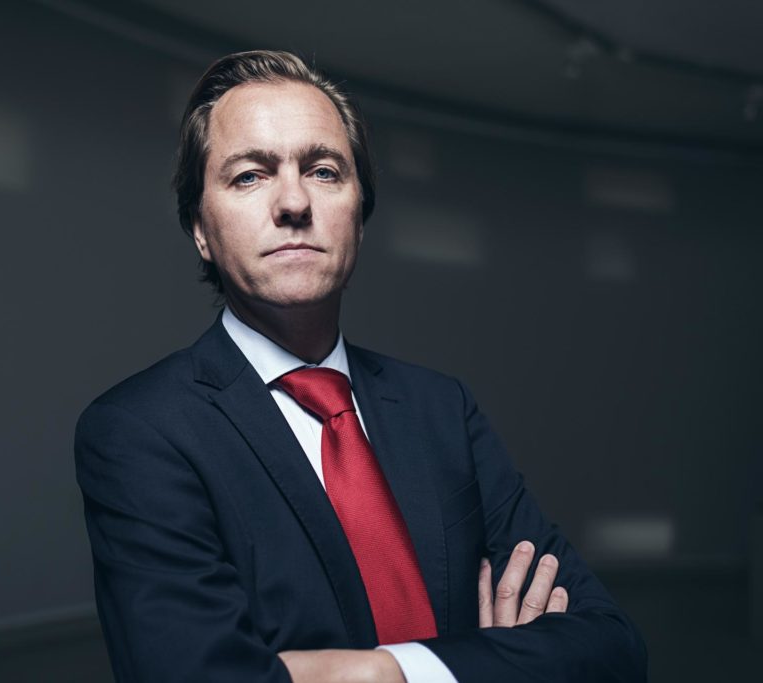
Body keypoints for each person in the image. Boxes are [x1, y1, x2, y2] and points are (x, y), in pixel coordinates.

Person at [74, 50, 647, 682]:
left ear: (360, 216)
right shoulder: (139, 431)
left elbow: (612, 646)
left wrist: (392, 674)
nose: (293, 202)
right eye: (248, 176)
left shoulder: (441, 408)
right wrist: (495, 665)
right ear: (200, 230)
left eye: (323, 171)